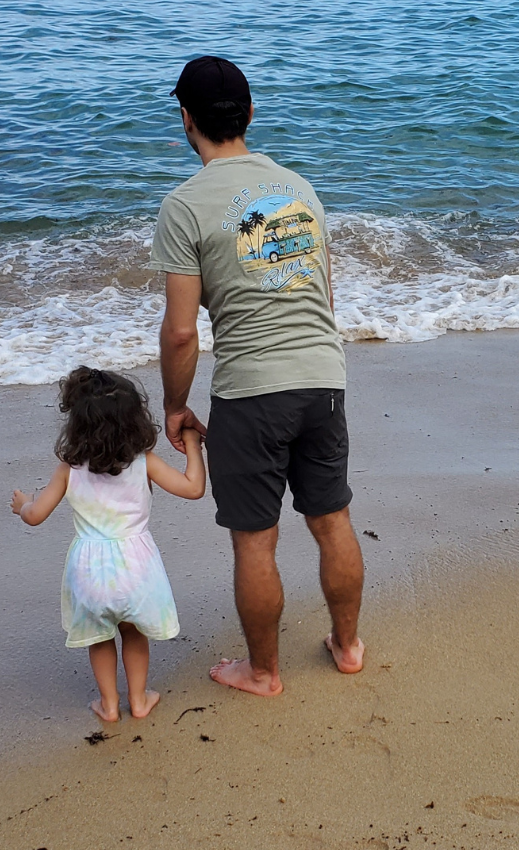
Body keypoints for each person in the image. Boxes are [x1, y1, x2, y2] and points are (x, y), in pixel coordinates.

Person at [149, 55, 364, 698]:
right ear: (248, 114)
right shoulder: (301, 189)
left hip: (252, 390)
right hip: (324, 378)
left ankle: (265, 672)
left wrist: (174, 404)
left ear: (186, 119)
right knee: (332, 519)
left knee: (255, 542)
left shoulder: (184, 206)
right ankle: (348, 646)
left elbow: (182, 330)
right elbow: (323, 299)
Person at [10, 366, 206, 722]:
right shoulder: (144, 463)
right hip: (137, 569)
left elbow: (36, 515)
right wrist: (192, 444)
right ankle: (139, 699)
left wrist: (22, 503)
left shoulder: (69, 469)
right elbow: (193, 488)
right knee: (133, 633)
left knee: (100, 637)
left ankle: (110, 704)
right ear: (135, 421)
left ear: (76, 424)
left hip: (89, 571)